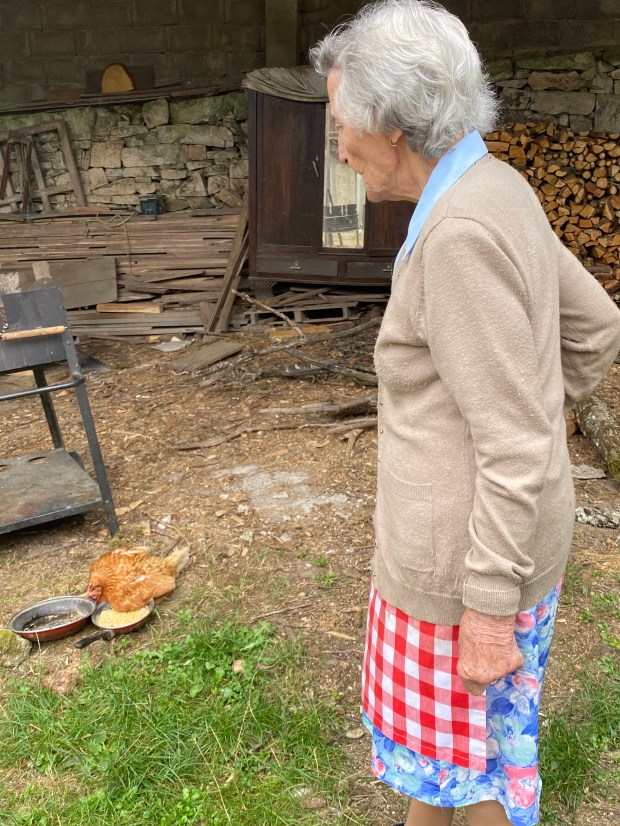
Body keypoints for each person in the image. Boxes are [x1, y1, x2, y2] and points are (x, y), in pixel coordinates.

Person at [310, 2, 620, 825]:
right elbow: (596, 326)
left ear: (395, 125)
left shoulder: (457, 235)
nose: (338, 145)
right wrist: (536, 418)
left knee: (472, 777)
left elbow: (515, 436)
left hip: (464, 574)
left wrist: (486, 604)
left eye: (342, 123)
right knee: (451, 771)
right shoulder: (497, 185)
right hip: (501, 548)